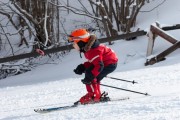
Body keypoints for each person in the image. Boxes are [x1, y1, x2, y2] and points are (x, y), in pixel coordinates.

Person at [68, 28, 118, 104]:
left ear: (81, 42)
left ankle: (94, 96)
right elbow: (93, 62)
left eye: (74, 43)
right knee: (90, 73)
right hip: (104, 63)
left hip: (109, 64)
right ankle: (95, 94)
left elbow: (99, 66)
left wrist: (90, 77)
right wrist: (83, 67)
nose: (73, 45)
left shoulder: (94, 50)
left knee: (92, 75)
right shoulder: (88, 48)